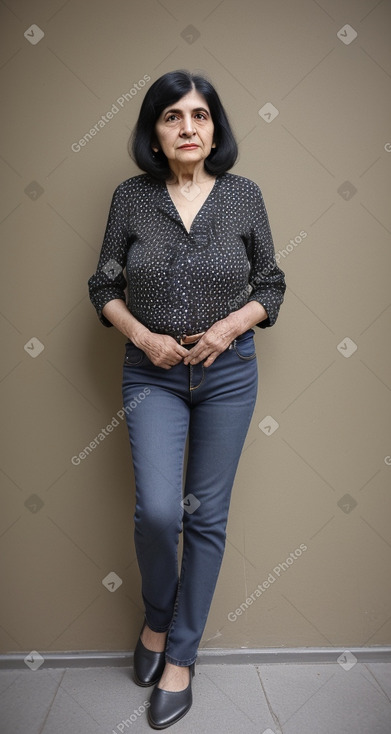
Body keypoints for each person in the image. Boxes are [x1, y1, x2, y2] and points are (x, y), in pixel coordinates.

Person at [88, 69, 286, 730]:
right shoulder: (131, 198)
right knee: (159, 513)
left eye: (199, 115)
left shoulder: (243, 196)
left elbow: (271, 283)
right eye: (172, 117)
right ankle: (157, 615)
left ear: (214, 127)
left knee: (206, 519)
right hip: (152, 376)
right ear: (153, 131)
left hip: (230, 374)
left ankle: (180, 656)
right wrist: (146, 338)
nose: (188, 128)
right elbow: (102, 285)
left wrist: (231, 326)